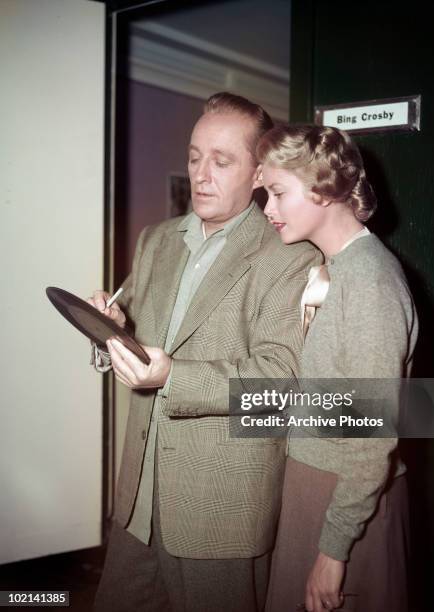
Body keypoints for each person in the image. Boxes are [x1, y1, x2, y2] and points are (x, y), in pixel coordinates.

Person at [88, 93, 317, 612]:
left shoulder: (290, 256)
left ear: (259, 174)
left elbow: (281, 382)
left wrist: (171, 376)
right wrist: (110, 329)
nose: (201, 174)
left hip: (221, 510)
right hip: (138, 501)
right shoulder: (157, 240)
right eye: (194, 157)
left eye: (221, 160)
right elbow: (135, 332)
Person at [257, 124, 418, 612]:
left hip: (347, 503)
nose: (268, 208)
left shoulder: (368, 280)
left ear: (324, 188)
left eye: (278, 192)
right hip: (318, 488)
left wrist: (333, 548)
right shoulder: (336, 269)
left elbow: (374, 437)